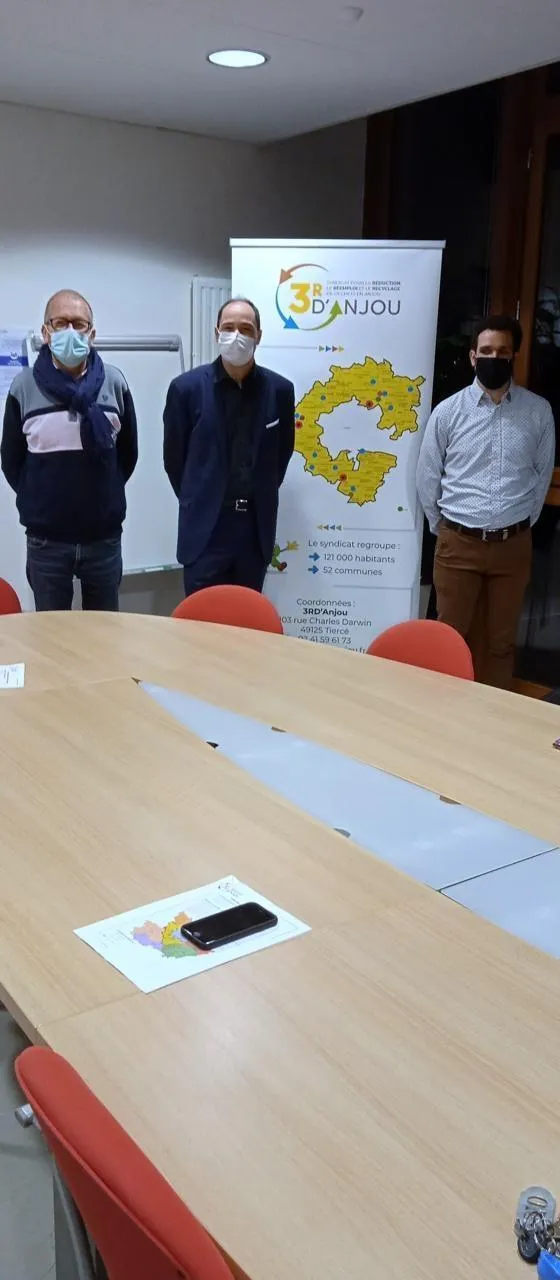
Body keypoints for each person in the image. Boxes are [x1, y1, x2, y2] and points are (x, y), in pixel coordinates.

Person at [417, 315, 555, 688]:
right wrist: (444, 528)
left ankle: (492, 715)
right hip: (458, 543)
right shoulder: (448, 412)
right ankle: (444, 711)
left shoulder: (538, 412)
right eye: (487, 351)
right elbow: (428, 477)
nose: (495, 358)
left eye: (503, 352)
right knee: (450, 639)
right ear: (473, 357)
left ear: (513, 356)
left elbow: (541, 476)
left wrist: (519, 523)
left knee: (501, 643)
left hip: (513, 547)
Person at [1, 290, 138, 612]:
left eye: (79, 324)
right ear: (46, 332)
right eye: (60, 323)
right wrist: (41, 497)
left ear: (92, 333)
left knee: (104, 631)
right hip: (46, 542)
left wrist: (103, 494)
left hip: (103, 539)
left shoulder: (115, 382)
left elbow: (127, 455)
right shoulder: (23, 386)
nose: (70, 331)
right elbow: (12, 461)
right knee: (51, 632)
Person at [163, 297, 295, 596]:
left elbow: (281, 456)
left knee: (246, 620)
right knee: (199, 621)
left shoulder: (280, 391)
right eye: (228, 328)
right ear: (217, 333)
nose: (237, 336)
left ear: (258, 336)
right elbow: (174, 461)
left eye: (246, 329)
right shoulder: (185, 389)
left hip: (253, 530)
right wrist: (200, 497)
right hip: (205, 531)